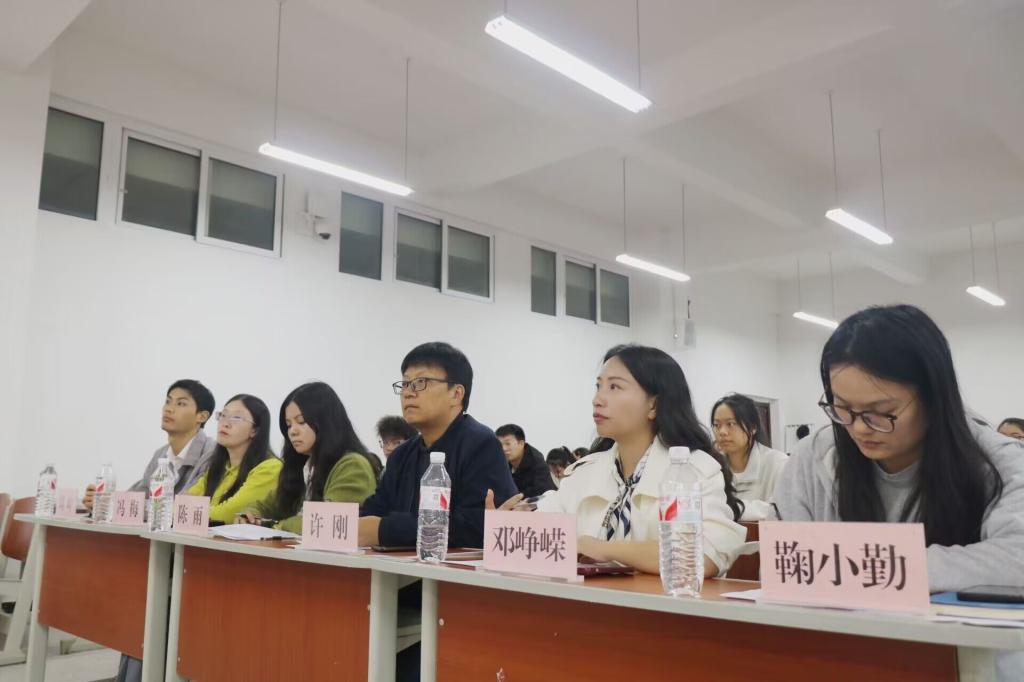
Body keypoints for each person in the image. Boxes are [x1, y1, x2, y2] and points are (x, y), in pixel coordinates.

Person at [777, 305, 1024, 591]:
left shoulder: (998, 461)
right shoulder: (813, 458)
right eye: (842, 407)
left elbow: (1017, 558)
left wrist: (873, 567)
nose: (859, 428)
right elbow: (785, 562)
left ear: (933, 398)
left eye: (882, 412)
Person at [518, 345, 745, 577]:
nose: (597, 399)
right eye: (598, 386)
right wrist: (510, 524)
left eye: (614, 387)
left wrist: (605, 549)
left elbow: (702, 556)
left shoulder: (693, 470)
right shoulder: (583, 473)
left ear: (654, 405)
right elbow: (539, 536)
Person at [358, 342, 517, 548]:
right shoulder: (401, 455)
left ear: (456, 394)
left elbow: (475, 526)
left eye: (421, 382)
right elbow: (373, 511)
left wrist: (386, 530)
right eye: (405, 384)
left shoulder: (481, 444)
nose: (408, 393)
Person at [240, 382, 377, 533]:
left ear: (326, 421)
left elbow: (324, 523)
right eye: (289, 425)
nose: (293, 431)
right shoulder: (304, 465)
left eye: (301, 422)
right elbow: (265, 506)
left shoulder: (353, 465)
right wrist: (250, 515)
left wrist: (276, 525)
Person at [85, 379, 216, 510]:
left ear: (202, 416)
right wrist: (106, 501)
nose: (169, 409)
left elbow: (185, 507)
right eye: (168, 401)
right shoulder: (161, 455)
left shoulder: (211, 454)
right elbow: (141, 494)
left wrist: (115, 505)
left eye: (181, 403)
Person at [187, 394, 282, 524]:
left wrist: (190, 512)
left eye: (237, 417)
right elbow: (183, 504)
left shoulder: (270, 468)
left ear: (254, 430)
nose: (225, 423)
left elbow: (228, 514)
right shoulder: (218, 467)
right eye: (223, 415)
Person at [711, 393, 788, 520]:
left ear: (753, 428)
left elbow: (781, 510)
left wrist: (730, 509)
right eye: (717, 425)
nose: (722, 432)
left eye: (730, 424)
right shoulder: (712, 466)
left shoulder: (778, 463)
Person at [496, 424, 556, 498]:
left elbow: (543, 492)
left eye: (508, 444)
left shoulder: (536, 462)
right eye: (500, 444)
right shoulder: (501, 461)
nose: (504, 449)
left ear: (521, 444)